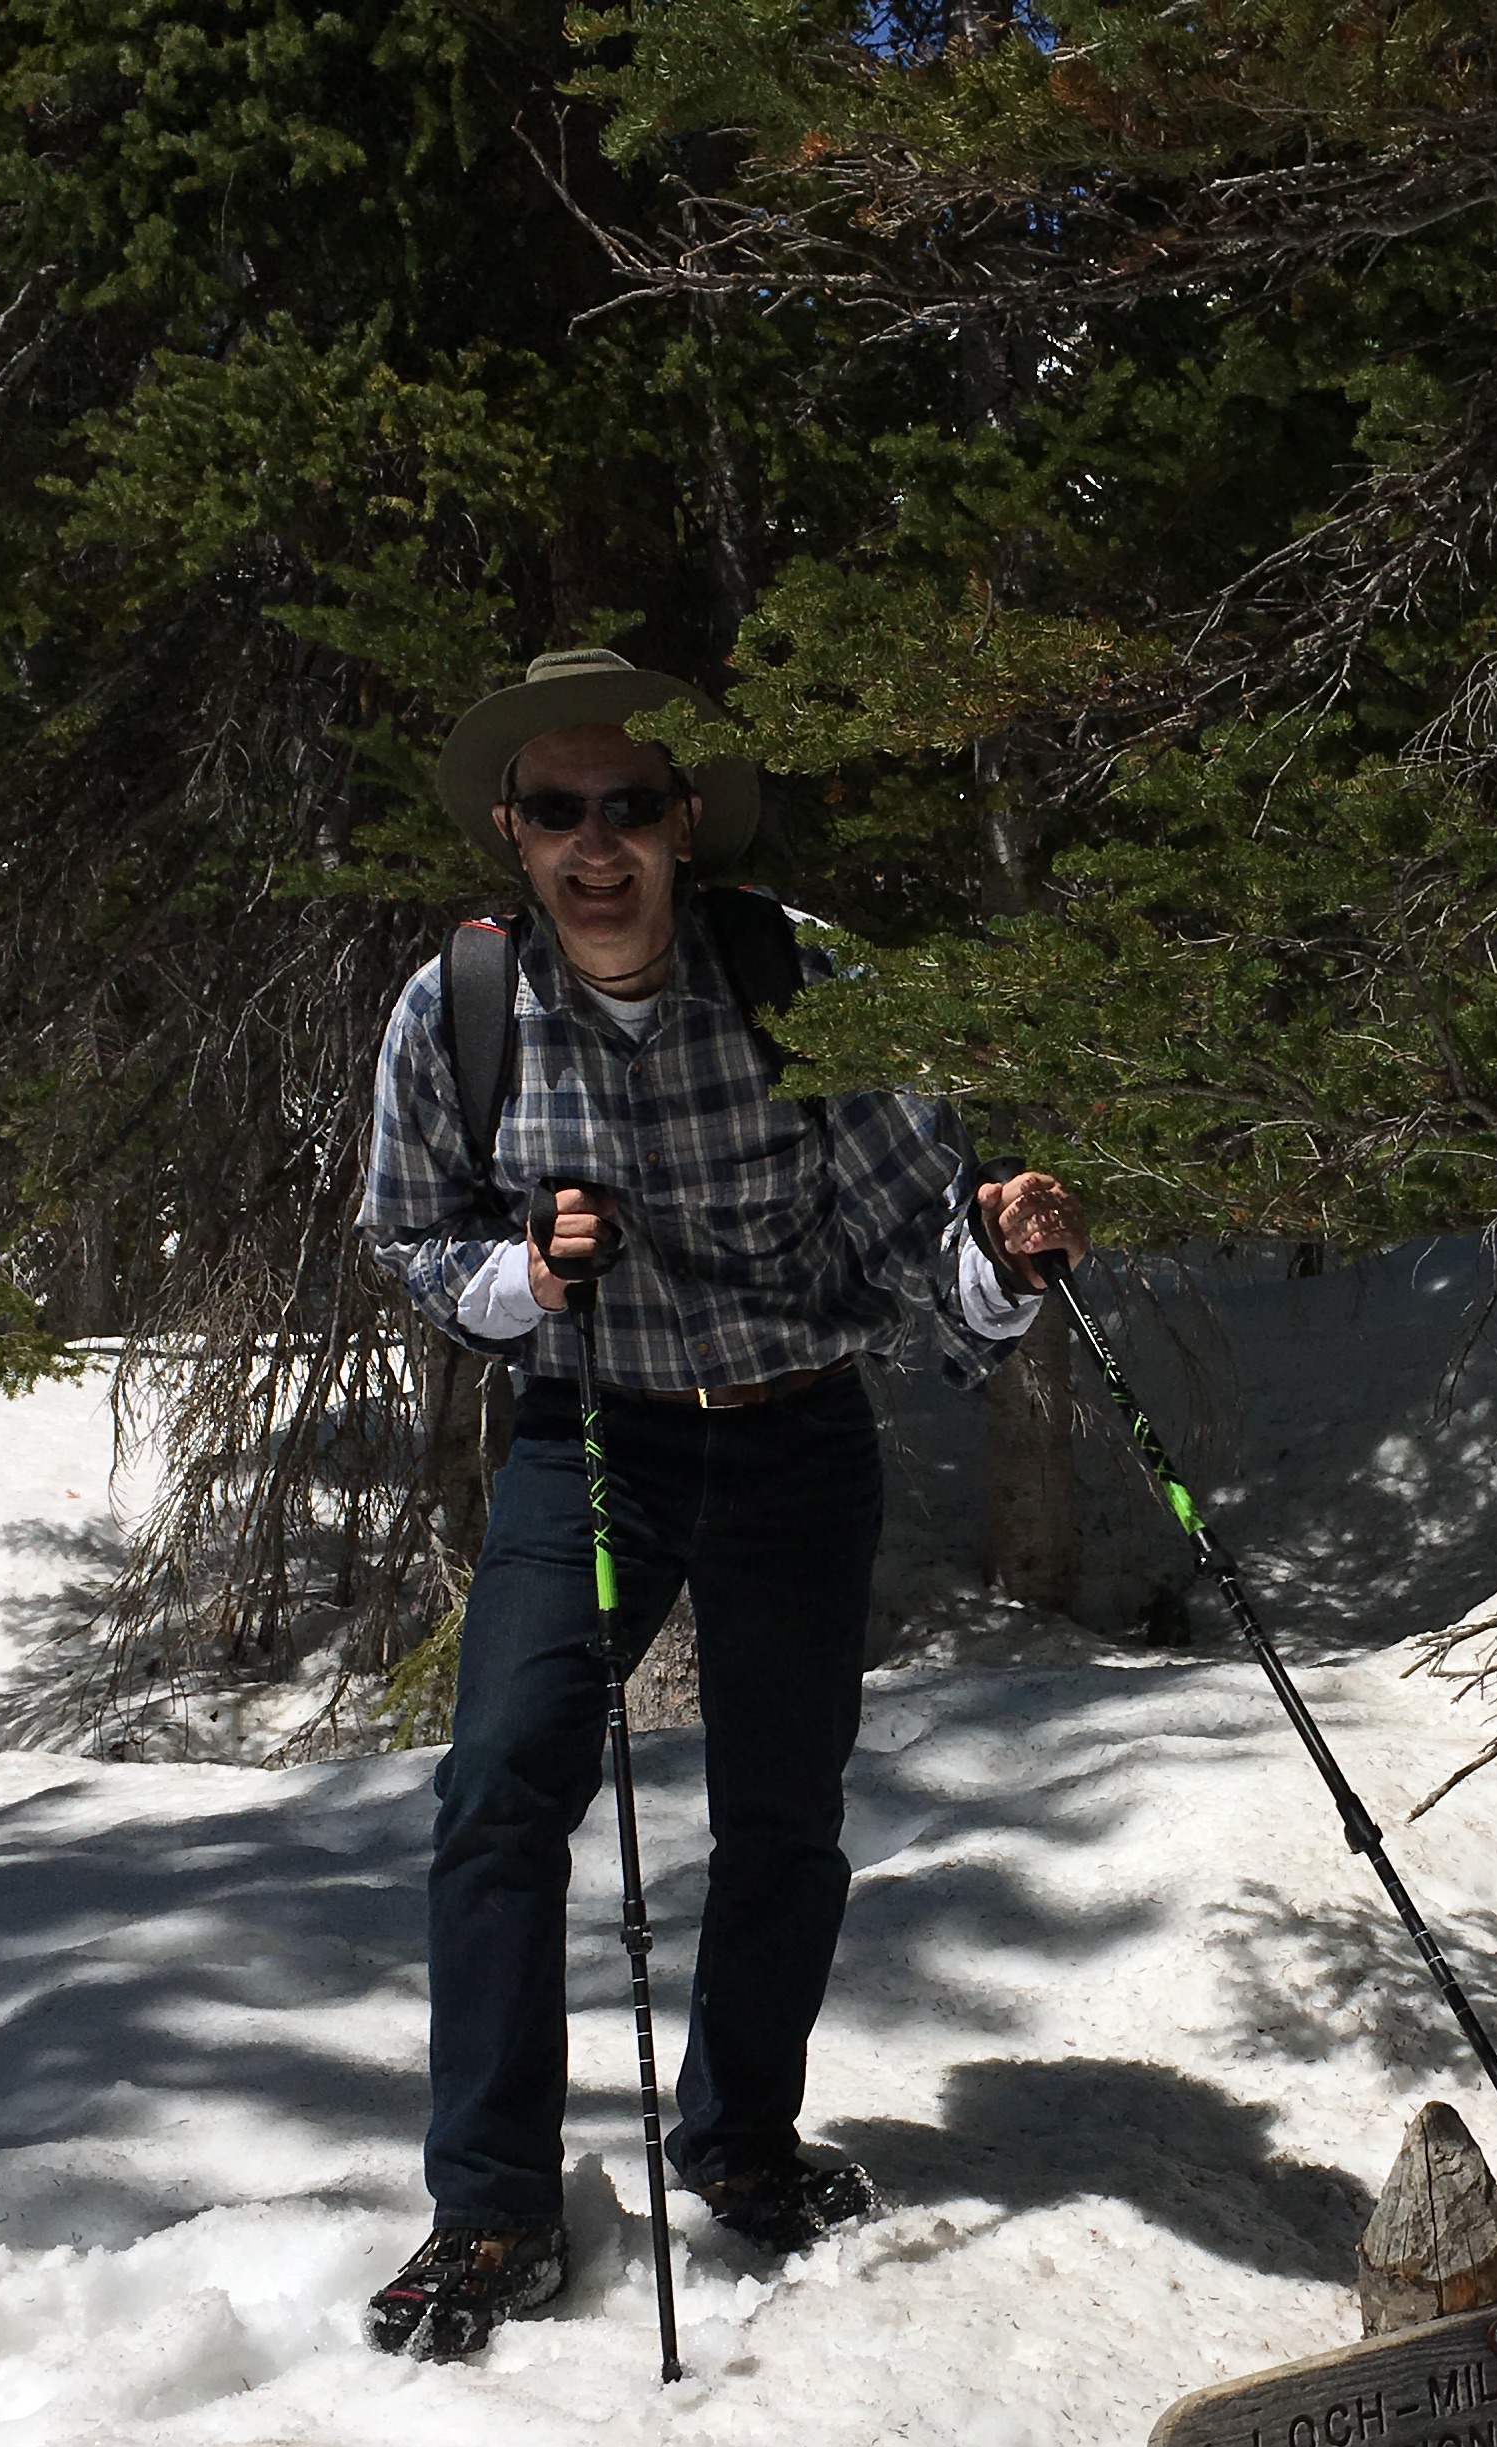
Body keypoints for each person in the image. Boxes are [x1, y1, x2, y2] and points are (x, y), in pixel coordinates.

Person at [356, 648, 1086, 2359]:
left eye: (629, 806)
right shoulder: (457, 1008)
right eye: (558, 811)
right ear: (514, 834)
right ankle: (490, 2209)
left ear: (686, 822)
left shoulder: (800, 981)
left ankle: (741, 2138)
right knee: (498, 1790)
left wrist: (1003, 1256)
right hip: (587, 1434)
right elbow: (415, 1236)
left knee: (782, 1813)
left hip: (790, 1432)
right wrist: (525, 1281)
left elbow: (918, 1242)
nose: (595, 843)